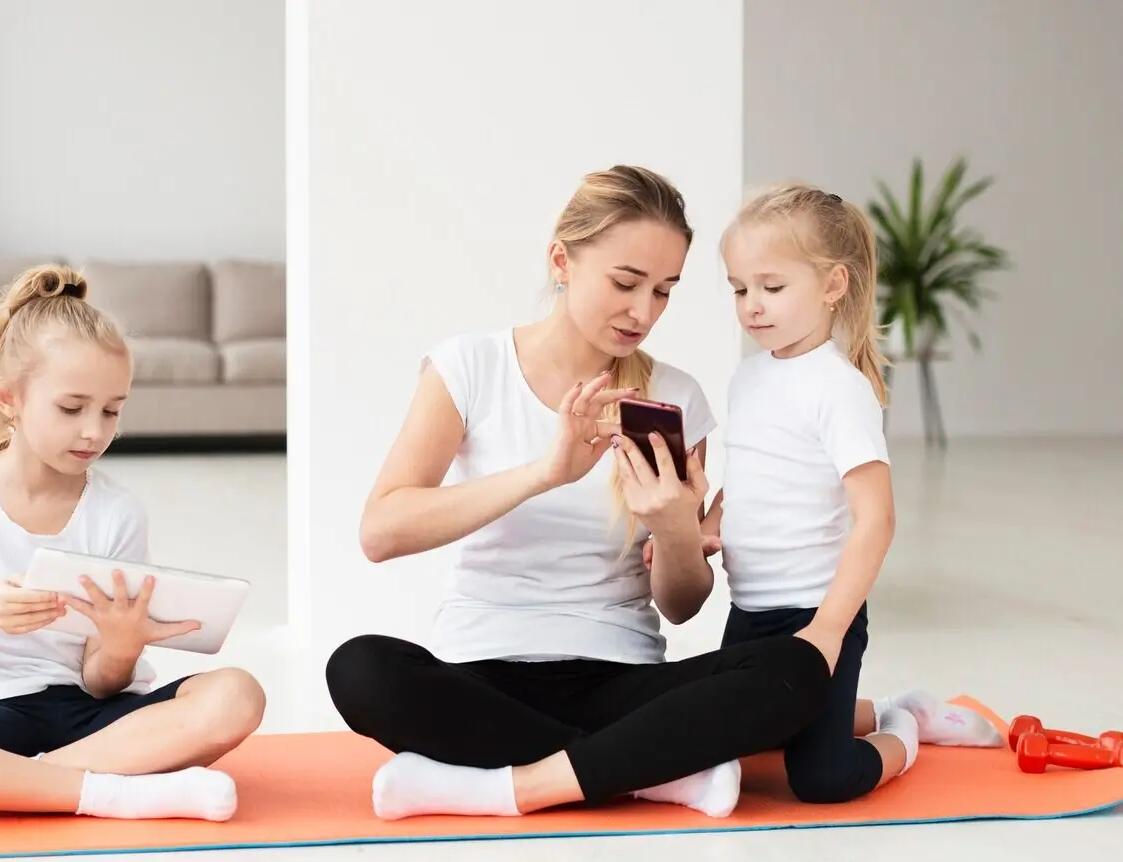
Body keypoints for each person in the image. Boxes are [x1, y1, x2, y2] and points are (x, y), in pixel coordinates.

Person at [325, 165, 839, 822]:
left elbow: (681, 608)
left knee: (794, 668)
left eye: (664, 291)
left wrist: (677, 528)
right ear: (562, 260)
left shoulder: (675, 397)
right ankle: (644, 772)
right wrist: (546, 471)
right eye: (626, 283)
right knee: (360, 668)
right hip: (479, 675)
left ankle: (510, 784)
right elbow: (382, 530)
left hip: (619, 679)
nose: (643, 312)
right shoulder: (469, 367)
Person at [0, 265, 265, 822]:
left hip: (105, 719)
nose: (94, 431)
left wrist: (121, 643)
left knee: (237, 694)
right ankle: (113, 794)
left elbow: (101, 680)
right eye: (71, 408)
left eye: (112, 410)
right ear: (9, 398)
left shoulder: (117, 511)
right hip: (2, 715)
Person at [674, 181, 1002, 804]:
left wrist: (828, 629)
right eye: (740, 289)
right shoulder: (748, 379)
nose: (752, 305)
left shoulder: (838, 387)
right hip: (751, 615)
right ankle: (856, 711)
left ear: (832, 286)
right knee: (720, 741)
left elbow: (875, 520)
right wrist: (710, 527)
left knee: (822, 779)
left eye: (772, 287)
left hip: (818, 615)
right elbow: (746, 483)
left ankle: (906, 721)